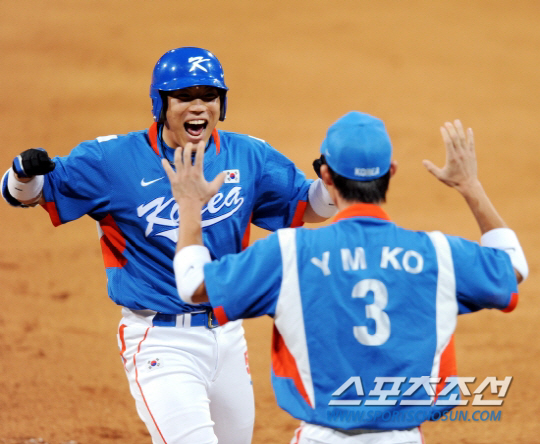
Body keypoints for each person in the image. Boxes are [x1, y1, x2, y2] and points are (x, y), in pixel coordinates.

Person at [1, 47, 337, 444]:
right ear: (161, 104)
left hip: (228, 336)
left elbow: (307, 206)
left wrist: (331, 186)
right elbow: (30, 192)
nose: (198, 106)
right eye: (184, 96)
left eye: (209, 96)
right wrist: (23, 175)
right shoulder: (114, 160)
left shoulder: (249, 157)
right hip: (160, 342)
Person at [167, 112, 528, 444]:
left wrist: (189, 204)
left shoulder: (289, 253)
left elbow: (193, 284)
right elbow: (514, 269)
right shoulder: (438, 254)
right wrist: (469, 185)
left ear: (326, 177)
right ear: (391, 172)